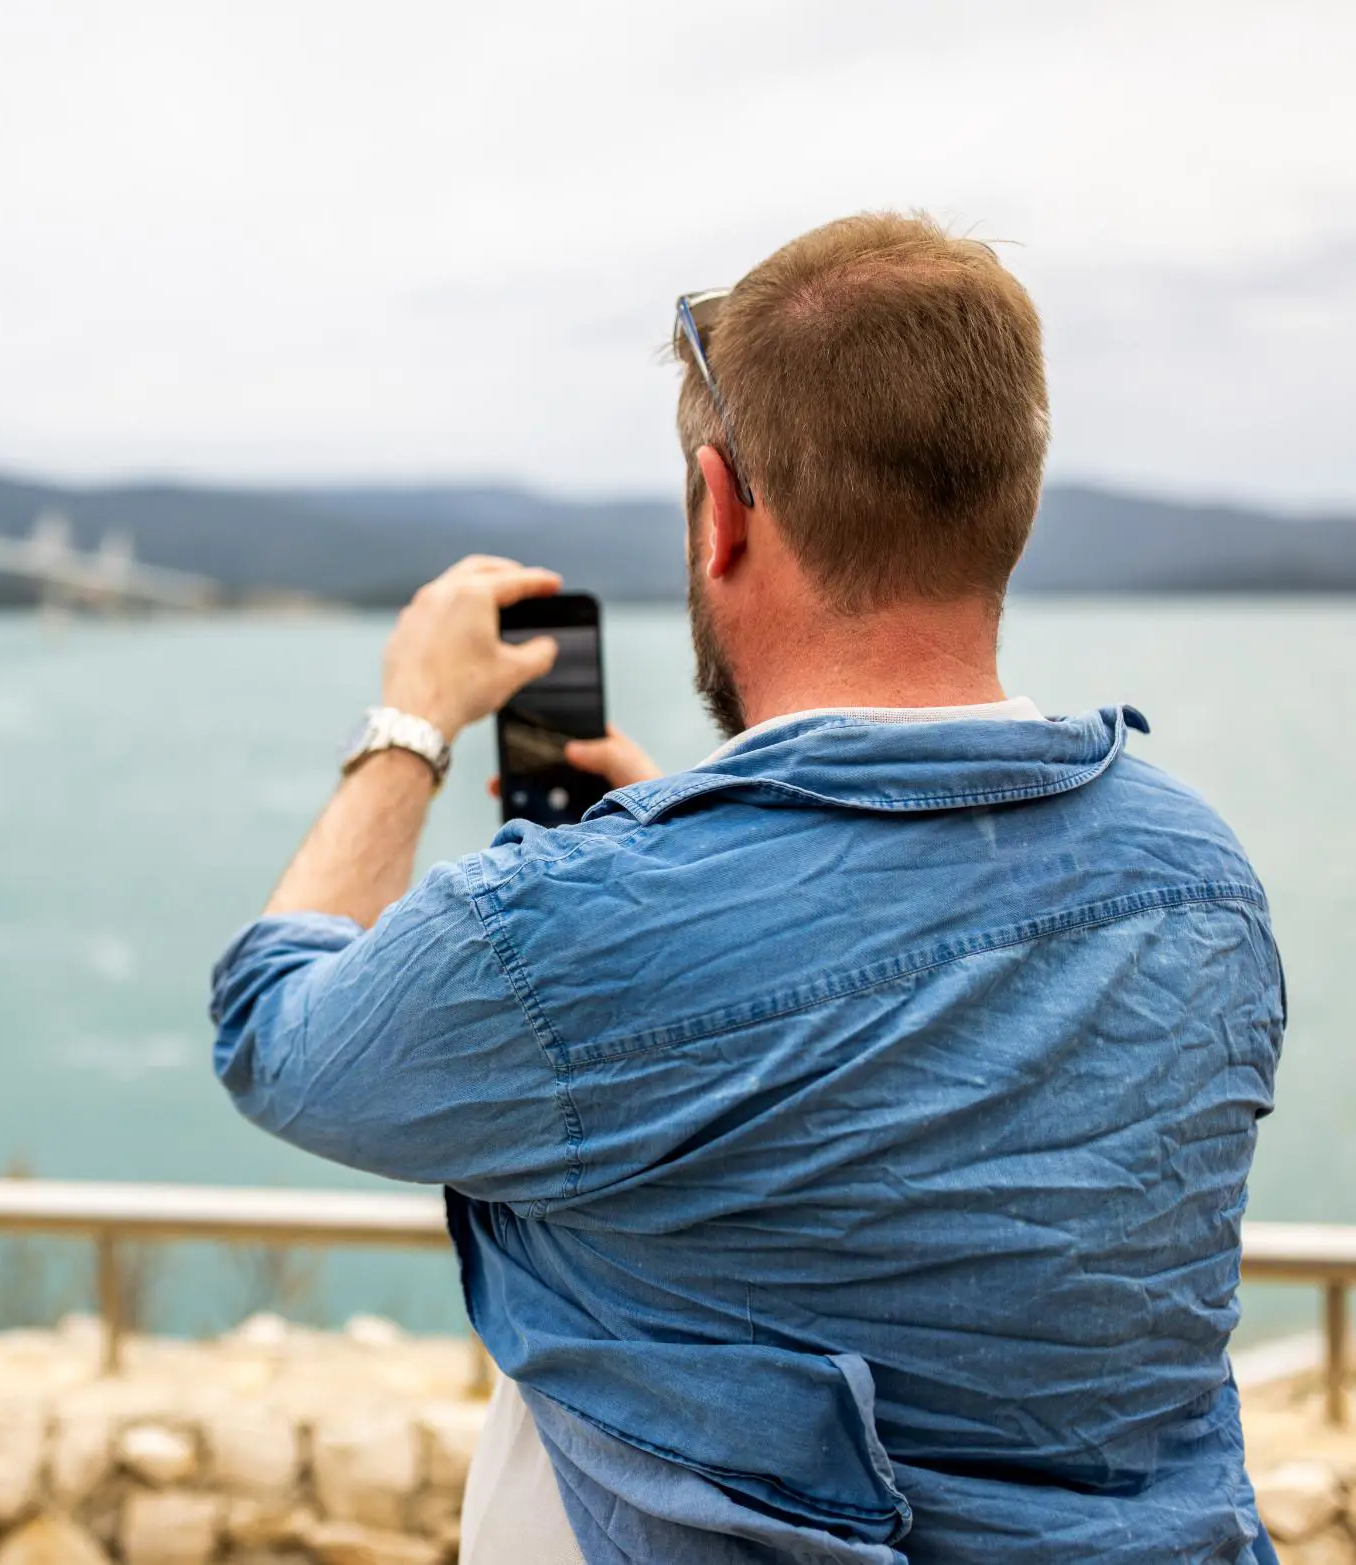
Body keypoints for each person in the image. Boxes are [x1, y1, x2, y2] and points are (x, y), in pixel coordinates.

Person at [208, 212, 1284, 1563]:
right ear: (1009, 506)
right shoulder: (1197, 880)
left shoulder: (571, 928)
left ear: (721, 511)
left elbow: (276, 1030)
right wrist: (696, 853)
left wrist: (407, 729)